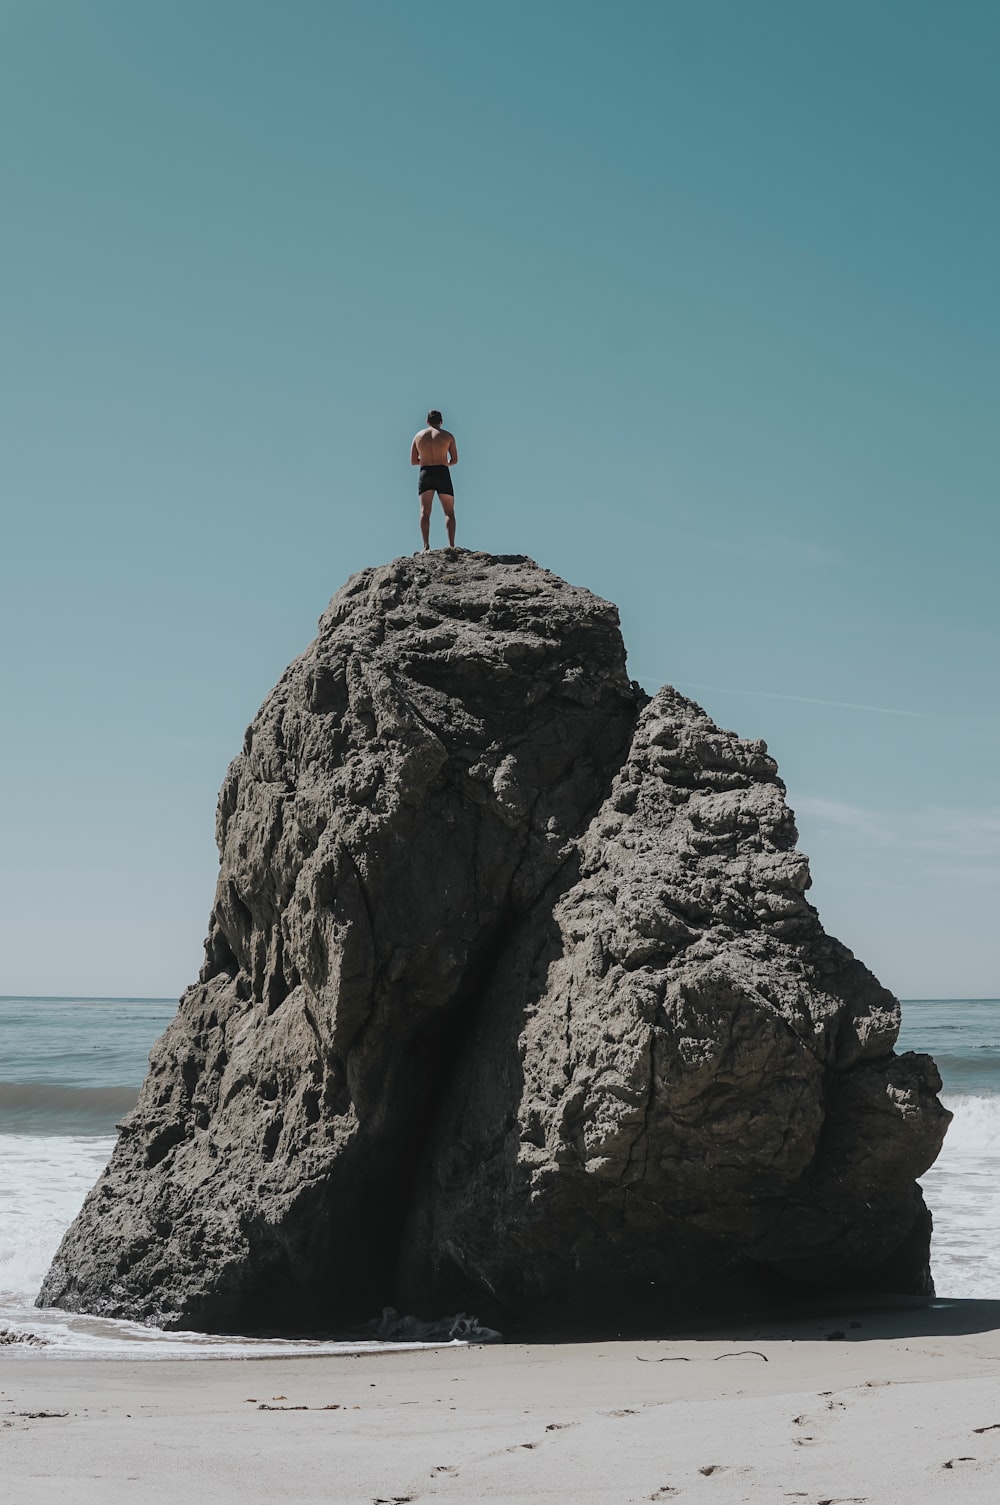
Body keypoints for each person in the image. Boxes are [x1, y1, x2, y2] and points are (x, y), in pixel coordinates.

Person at [411, 409, 458, 550]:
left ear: (427, 421)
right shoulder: (448, 436)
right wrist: (445, 462)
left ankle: (426, 546)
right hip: (442, 472)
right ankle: (451, 545)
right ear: (441, 421)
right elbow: (455, 459)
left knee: (424, 512)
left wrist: (425, 460)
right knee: (449, 512)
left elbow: (413, 460)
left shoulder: (418, 436)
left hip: (426, 472)